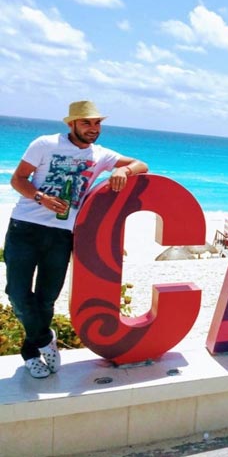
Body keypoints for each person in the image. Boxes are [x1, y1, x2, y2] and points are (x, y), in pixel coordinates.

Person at [4, 101, 148, 378]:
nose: (93, 128)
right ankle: (45, 339)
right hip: (25, 228)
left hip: (62, 234)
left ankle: (31, 353)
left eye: (97, 123)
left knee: (46, 299)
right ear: (71, 124)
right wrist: (41, 198)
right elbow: (18, 179)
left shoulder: (101, 154)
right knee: (17, 294)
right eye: (86, 123)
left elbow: (141, 163)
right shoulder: (45, 144)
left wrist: (123, 170)